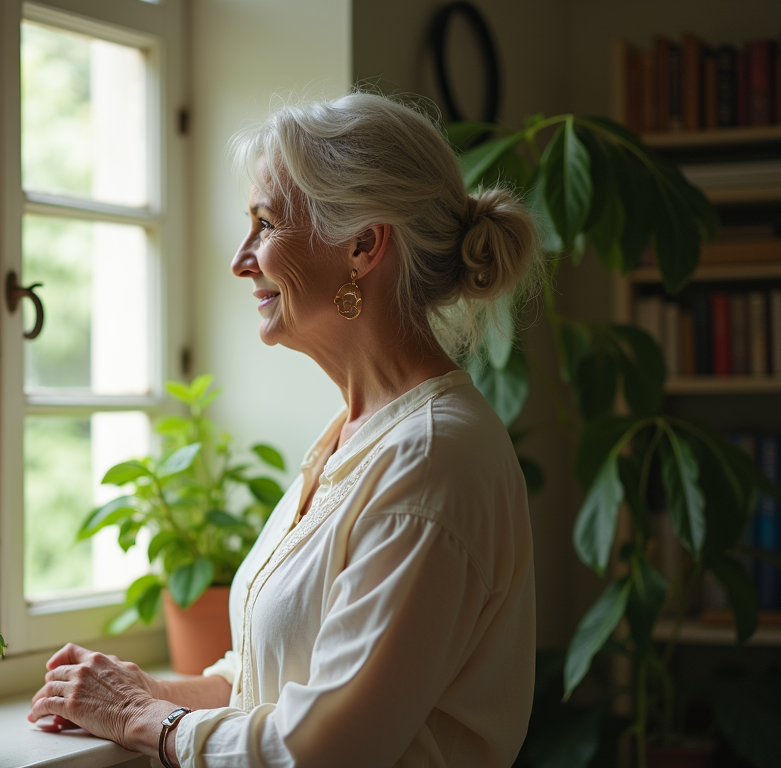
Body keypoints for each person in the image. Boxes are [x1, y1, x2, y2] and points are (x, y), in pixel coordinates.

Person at [28, 92, 541, 768]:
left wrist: (139, 717)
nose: (242, 259)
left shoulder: (432, 456)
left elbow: (326, 747)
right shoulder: (355, 434)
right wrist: (141, 689)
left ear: (362, 246)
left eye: (265, 225)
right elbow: (276, 681)